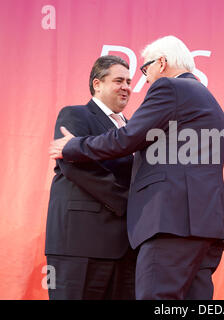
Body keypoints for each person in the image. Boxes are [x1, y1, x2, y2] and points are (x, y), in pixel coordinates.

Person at [49, 35, 224, 300]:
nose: (144, 80)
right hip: (202, 228)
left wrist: (72, 147)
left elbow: (127, 138)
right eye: (119, 80)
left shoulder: (170, 88)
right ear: (97, 84)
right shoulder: (206, 98)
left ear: (163, 63)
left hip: (172, 224)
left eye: (145, 70)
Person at [45, 55, 136, 300]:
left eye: (129, 81)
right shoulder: (75, 115)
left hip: (126, 249)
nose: (126, 87)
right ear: (97, 84)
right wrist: (130, 202)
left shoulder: (134, 128)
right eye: (119, 80)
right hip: (80, 246)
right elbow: (76, 166)